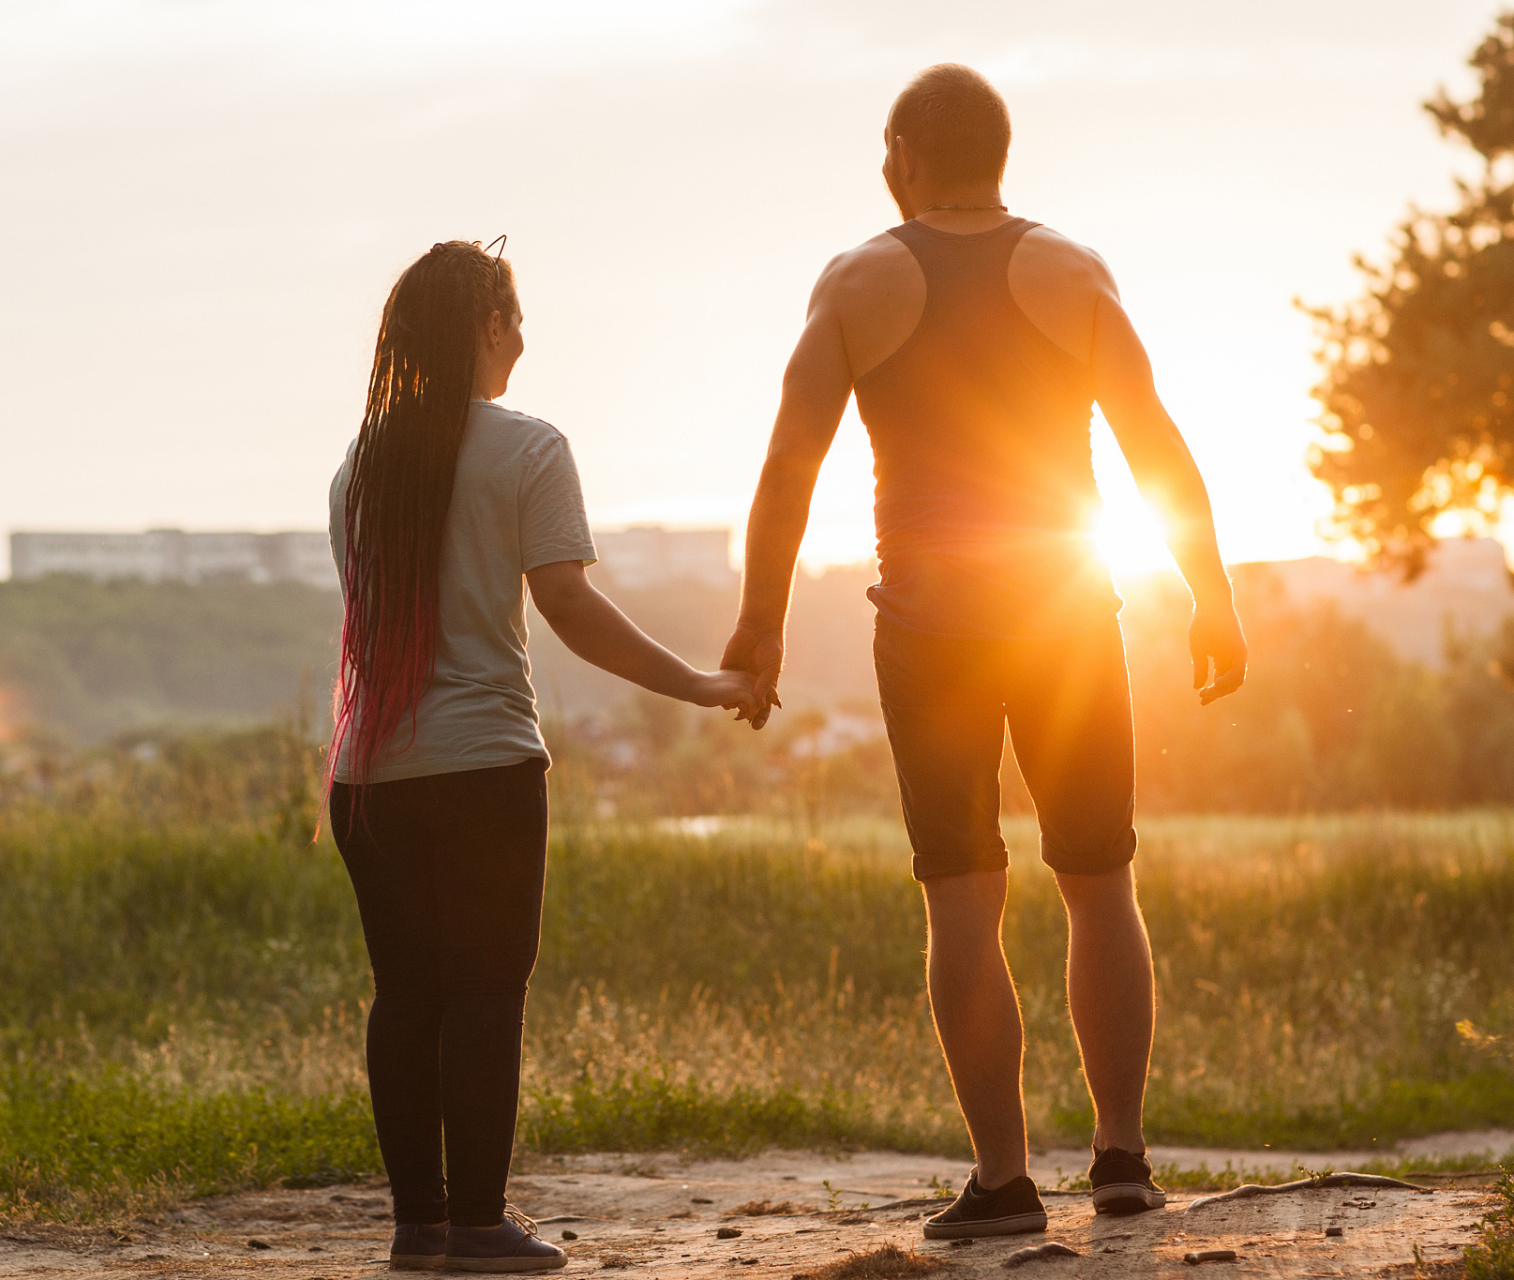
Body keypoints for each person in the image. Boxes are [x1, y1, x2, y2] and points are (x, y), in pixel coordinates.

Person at [719, 65, 1248, 1239]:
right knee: (1099, 879)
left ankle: (1005, 1181)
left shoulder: (856, 280)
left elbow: (788, 466)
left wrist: (761, 623)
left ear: (903, 153)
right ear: (999, 156)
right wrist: (1211, 598)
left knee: (964, 898)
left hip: (930, 630)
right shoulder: (1073, 270)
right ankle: (1121, 1158)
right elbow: (1156, 447)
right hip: (1067, 617)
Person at [328, 239, 756, 1273]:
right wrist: (698, 682)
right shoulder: (526, 445)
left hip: (367, 776)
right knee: (484, 991)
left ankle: (417, 1228)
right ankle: (479, 1225)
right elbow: (566, 603)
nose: (522, 343)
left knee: (407, 993)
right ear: (488, 325)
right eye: (514, 322)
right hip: (481, 768)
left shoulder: (362, 459)